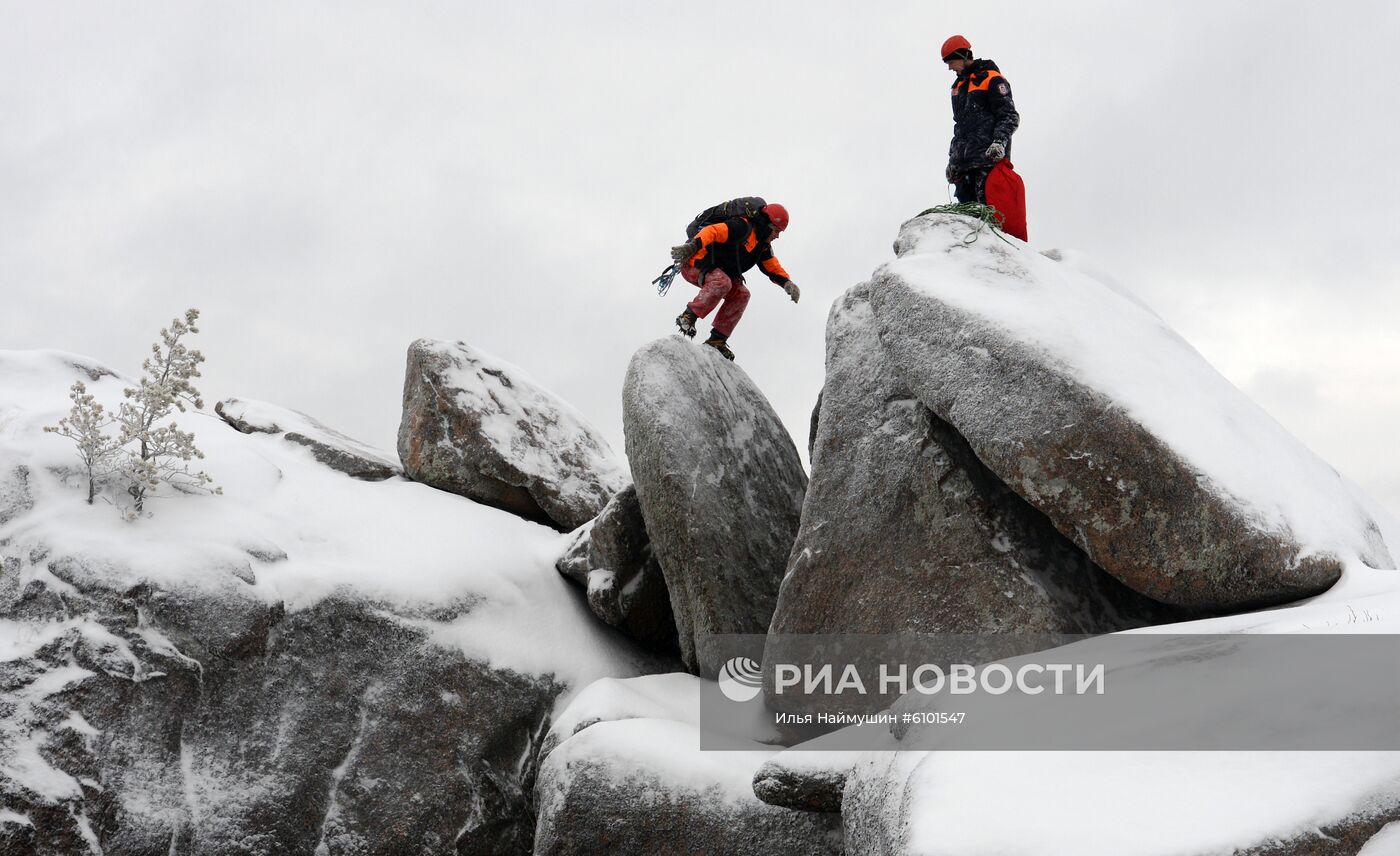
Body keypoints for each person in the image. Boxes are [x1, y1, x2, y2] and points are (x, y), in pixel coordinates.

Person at [668, 202, 799, 361]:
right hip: (695, 262)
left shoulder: (762, 245)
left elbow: (771, 265)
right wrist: (692, 246)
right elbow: (713, 231)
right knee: (723, 282)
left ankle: (717, 340)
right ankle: (688, 317)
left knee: (742, 294)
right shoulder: (741, 227)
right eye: (776, 230)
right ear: (766, 224)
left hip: (716, 270)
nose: (777, 235)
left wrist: (787, 283)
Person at [942, 35, 1020, 205]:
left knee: (987, 219)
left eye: (951, 62)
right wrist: (953, 160)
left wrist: (999, 142)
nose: (949, 68)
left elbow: (1009, 116)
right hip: (963, 169)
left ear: (962, 56)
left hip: (987, 163)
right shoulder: (957, 88)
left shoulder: (992, 79)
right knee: (966, 222)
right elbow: (960, 127)